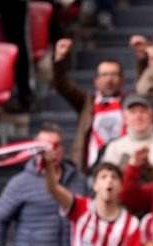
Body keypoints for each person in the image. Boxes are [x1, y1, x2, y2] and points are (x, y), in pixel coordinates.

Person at [53, 38, 125, 172]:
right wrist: (59, 60)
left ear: (122, 80)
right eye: (104, 75)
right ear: (96, 81)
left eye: (113, 74)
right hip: (91, 170)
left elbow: (144, 88)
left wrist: (142, 59)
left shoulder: (130, 103)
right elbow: (63, 86)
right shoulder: (87, 102)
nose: (109, 79)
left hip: (122, 168)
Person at [101, 94, 153, 177]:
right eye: (133, 112)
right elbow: (108, 180)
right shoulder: (114, 147)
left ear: (152, 116)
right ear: (125, 118)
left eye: (143, 111)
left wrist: (149, 167)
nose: (138, 116)